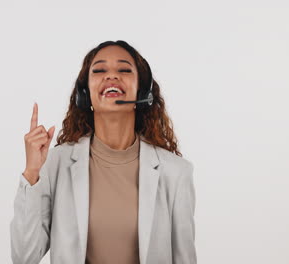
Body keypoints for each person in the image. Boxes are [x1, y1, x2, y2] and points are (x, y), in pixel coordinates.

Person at [10, 40, 196, 264]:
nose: (111, 76)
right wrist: (31, 172)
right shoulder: (55, 164)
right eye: (99, 70)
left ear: (143, 91)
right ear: (85, 95)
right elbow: (24, 257)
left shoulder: (175, 173)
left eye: (124, 69)